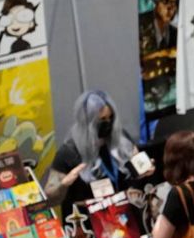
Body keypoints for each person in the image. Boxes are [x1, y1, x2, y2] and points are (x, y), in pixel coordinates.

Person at [45, 89, 141, 219]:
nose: (108, 123)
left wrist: (141, 173)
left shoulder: (122, 140)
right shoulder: (68, 153)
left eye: (111, 118)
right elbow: (50, 199)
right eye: (102, 120)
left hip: (124, 220)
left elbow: (136, 174)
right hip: (88, 226)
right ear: (87, 122)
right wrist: (63, 185)